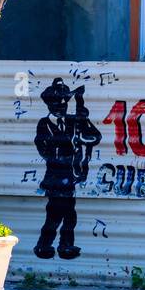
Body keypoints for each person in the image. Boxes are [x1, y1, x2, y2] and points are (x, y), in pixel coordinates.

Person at [33, 78, 102, 260]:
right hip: (55, 177)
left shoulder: (73, 121)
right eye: (58, 102)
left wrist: (83, 120)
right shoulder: (44, 124)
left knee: (66, 215)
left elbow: (95, 136)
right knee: (57, 214)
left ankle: (56, 246)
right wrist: (69, 145)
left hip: (70, 177)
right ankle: (49, 245)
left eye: (65, 101)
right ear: (49, 104)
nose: (62, 105)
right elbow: (44, 150)